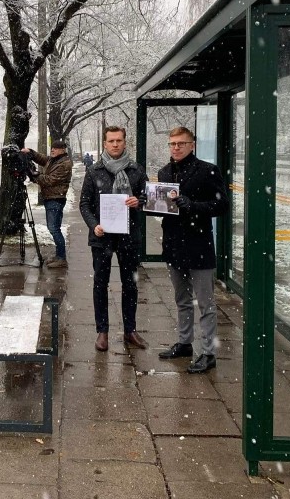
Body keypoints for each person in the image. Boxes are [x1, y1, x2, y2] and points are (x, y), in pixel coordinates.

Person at [154, 126, 229, 373]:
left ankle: (208, 353)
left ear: (192, 145)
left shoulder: (208, 170)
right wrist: (149, 204)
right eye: (172, 144)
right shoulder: (164, 171)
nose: (176, 148)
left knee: (205, 303)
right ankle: (185, 342)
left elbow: (222, 206)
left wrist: (192, 205)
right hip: (174, 245)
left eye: (181, 144)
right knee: (181, 299)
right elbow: (162, 208)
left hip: (199, 245)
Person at [79, 126, 148, 351]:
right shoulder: (94, 171)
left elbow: (148, 198)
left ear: (125, 143)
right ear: (105, 143)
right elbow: (85, 204)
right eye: (111, 141)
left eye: (119, 140)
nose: (115, 144)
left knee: (130, 284)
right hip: (102, 237)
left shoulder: (136, 171)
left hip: (129, 235)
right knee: (100, 283)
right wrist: (94, 225)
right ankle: (102, 331)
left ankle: (130, 330)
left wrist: (138, 201)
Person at [21, 140, 74, 268]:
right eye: (52, 148)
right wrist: (31, 153)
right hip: (52, 198)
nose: (53, 150)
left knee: (54, 229)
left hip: (56, 199)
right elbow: (43, 159)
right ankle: (59, 255)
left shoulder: (65, 164)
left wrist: (34, 175)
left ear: (63, 150)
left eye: (56, 148)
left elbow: (49, 180)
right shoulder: (55, 160)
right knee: (54, 228)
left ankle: (61, 258)